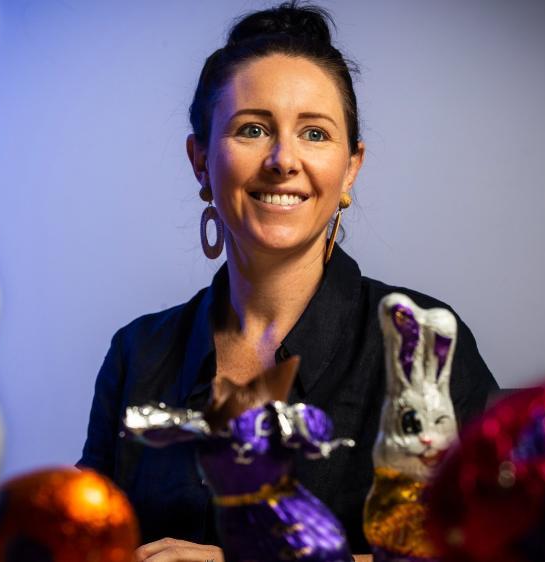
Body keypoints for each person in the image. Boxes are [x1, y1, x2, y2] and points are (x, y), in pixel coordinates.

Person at [77, 3, 498, 560]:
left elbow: (492, 547)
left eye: (315, 133)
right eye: (252, 128)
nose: (283, 159)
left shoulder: (419, 341)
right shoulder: (137, 351)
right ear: (200, 160)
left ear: (350, 167)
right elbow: (87, 538)